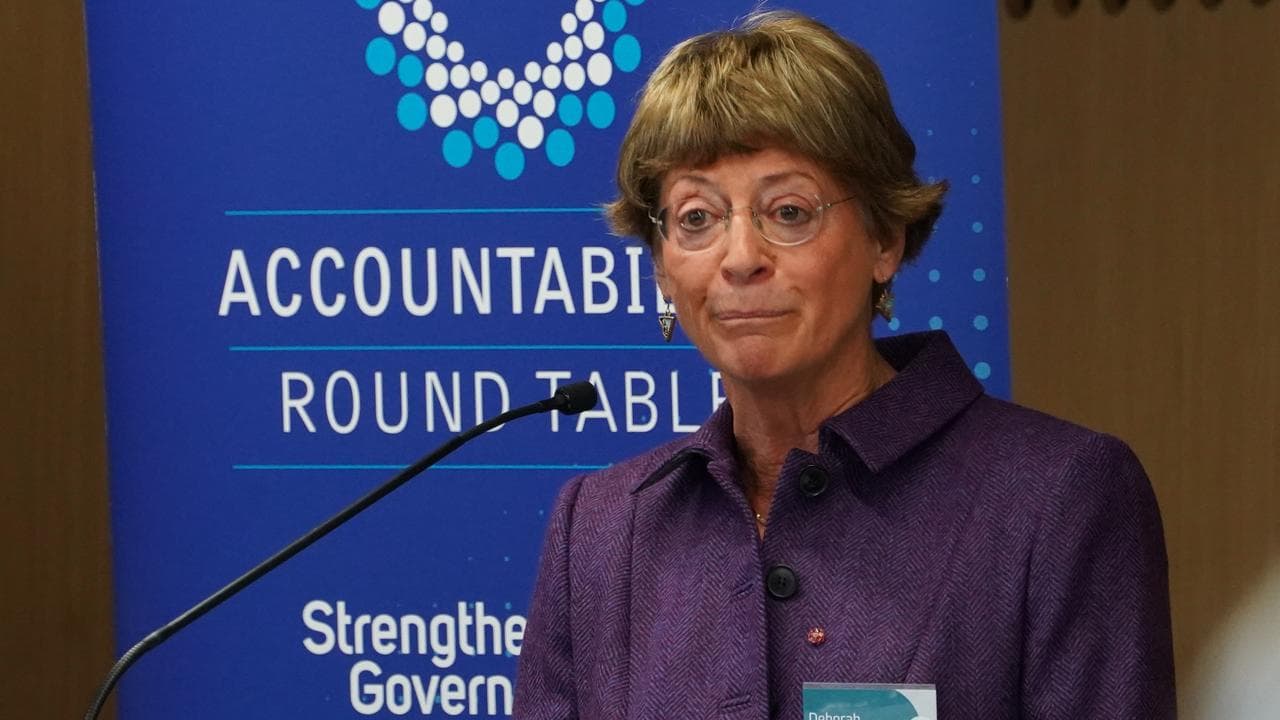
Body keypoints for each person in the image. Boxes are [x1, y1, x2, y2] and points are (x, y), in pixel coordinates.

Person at [514, 10, 1175, 719]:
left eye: (788, 212)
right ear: (661, 266)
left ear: (884, 239)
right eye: (697, 218)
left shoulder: (1054, 499)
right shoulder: (602, 529)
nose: (741, 258)